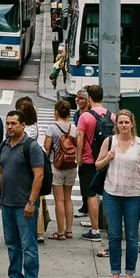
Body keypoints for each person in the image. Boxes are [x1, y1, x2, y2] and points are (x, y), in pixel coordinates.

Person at [0, 110, 45, 278]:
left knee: (28, 245)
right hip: (6, 204)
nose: (9, 127)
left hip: (24, 206)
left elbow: (39, 175)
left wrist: (31, 202)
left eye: (14, 123)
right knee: (12, 244)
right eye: (8, 123)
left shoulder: (31, 147)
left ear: (23, 125)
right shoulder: (4, 145)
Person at [95, 109, 140, 278]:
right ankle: (115, 275)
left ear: (132, 124)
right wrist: (108, 158)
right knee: (114, 236)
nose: (124, 125)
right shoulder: (110, 141)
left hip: (133, 195)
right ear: (116, 125)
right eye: (120, 122)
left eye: (127, 122)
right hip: (112, 194)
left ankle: (130, 276)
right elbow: (97, 164)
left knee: (132, 238)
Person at [76, 85, 115, 241]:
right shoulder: (112, 116)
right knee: (107, 193)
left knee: (91, 194)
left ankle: (95, 230)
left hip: (89, 160)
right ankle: (110, 226)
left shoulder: (85, 117)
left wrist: (79, 158)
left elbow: (80, 138)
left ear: (90, 99)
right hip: (106, 160)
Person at [44, 99, 77, 241]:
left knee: (59, 200)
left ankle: (60, 232)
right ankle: (69, 230)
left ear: (56, 112)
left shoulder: (52, 128)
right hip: (71, 165)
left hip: (56, 165)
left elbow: (46, 147)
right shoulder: (74, 128)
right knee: (68, 199)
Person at [15, 96, 47, 242]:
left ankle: (33, 231)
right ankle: (38, 231)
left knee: (30, 201)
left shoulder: (23, 131)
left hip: (25, 169)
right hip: (33, 168)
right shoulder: (34, 126)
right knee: (37, 200)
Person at [73, 88, 91, 215]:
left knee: (88, 181)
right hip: (81, 150)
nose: (77, 100)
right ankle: (85, 206)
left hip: (88, 152)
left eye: (80, 98)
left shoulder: (89, 114)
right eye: (76, 97)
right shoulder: (77, 114)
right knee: (83, 179)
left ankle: (88, 207)